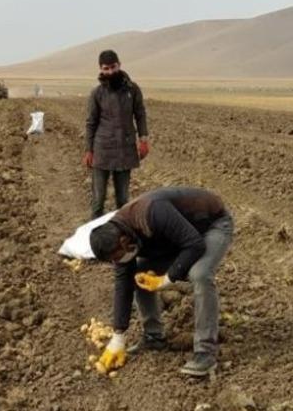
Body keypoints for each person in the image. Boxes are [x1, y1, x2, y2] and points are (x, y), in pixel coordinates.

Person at [89, 187, 234, 378]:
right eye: (113, 260)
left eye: (118, 255)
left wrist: (167, 279)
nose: (119, 261)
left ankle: (205, 352)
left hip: (210, 225)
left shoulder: (152, 213)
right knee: (139, 274)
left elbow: (194, 244)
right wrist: (118, 336)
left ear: (124, 240)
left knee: (199, 274)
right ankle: (153, 336)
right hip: (174, 240)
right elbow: (123, 284)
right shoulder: (116, 236)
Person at [84, 50, 148, 219]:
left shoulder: (133, 90)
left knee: (122, 201)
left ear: (119, 64)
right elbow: (91, 123)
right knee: (98, 201)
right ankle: (94, 237)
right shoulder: (97, 93)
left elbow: (140, 114)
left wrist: (143, 139)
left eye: (113, 67)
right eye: (106, 68)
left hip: (124, 150)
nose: (110, 72)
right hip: (102, 151)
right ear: (100, 69)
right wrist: (89, 150)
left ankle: (122, 238)